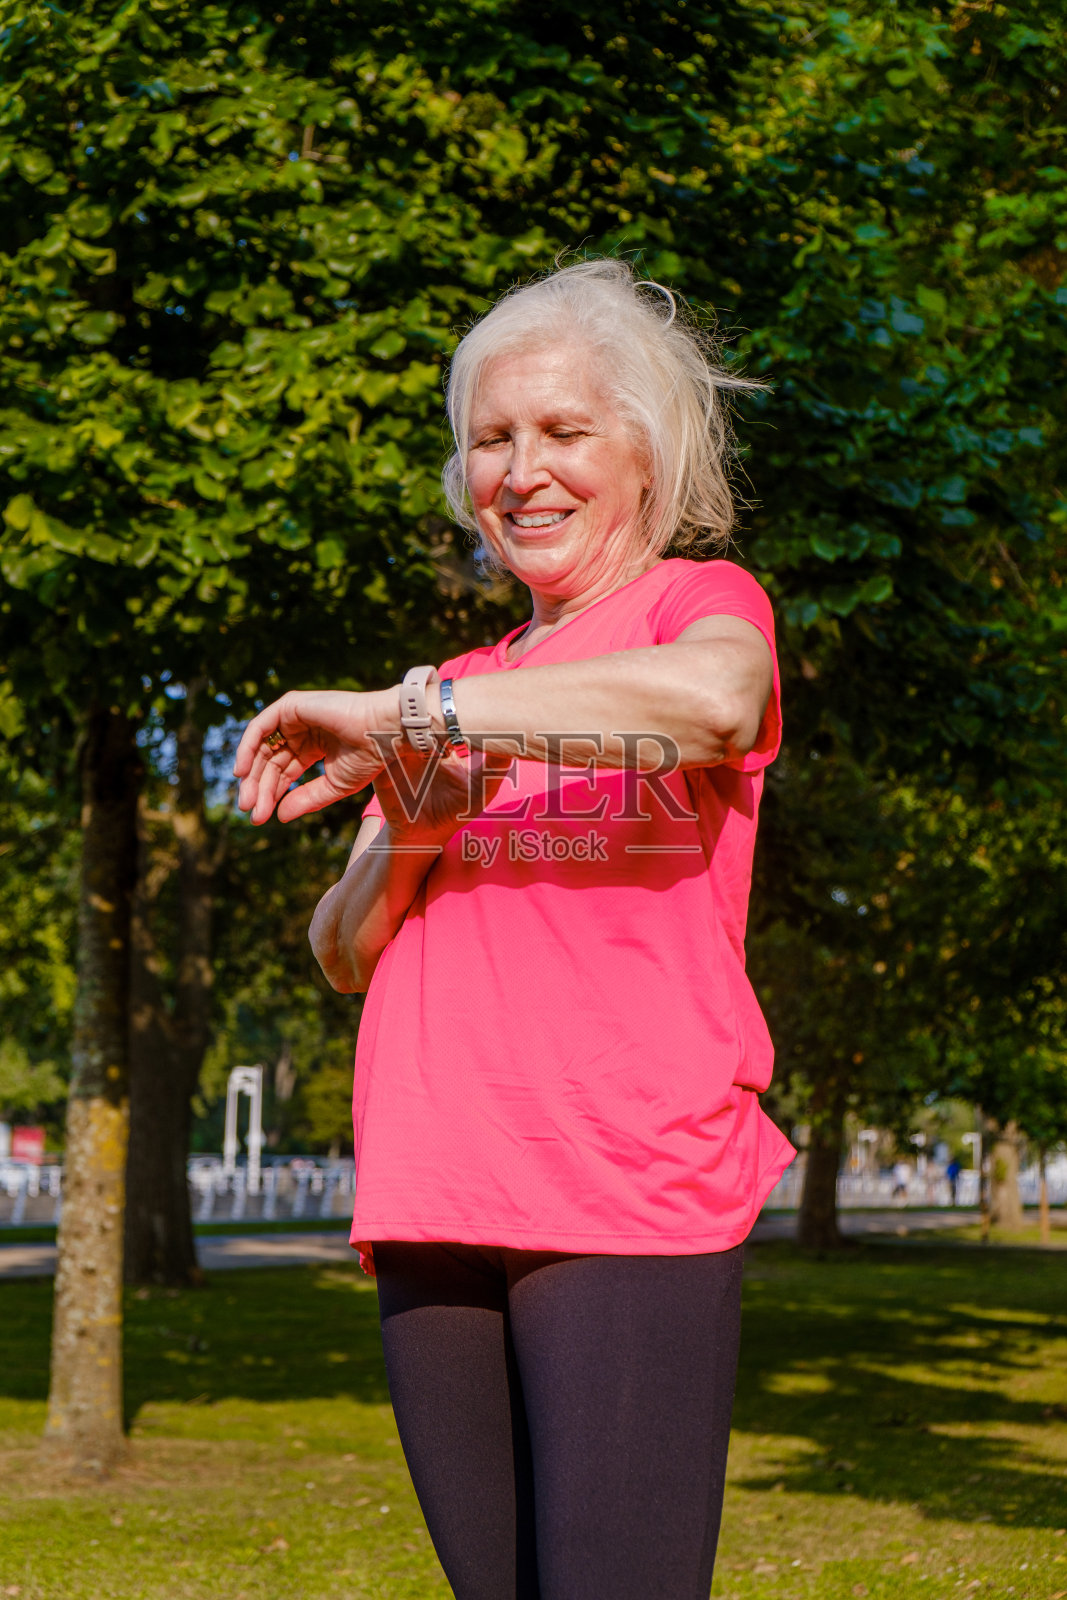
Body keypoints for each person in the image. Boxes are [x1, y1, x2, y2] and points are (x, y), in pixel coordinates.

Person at [234, 259, 794, 1600]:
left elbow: (720, 704)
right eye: (492, 439)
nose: (522, 469)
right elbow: (343, 947)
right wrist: (418, 806)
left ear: (646, 453)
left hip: (620, 1181)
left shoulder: (695, 604)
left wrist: (410, 721)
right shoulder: (462, 683)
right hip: (433, 1190)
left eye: (561, 432)